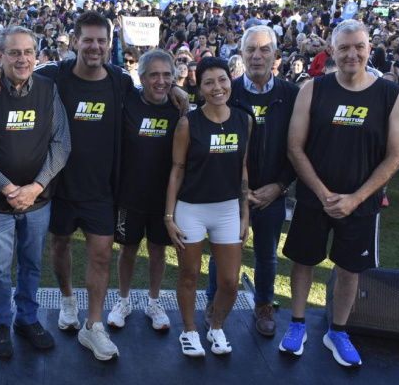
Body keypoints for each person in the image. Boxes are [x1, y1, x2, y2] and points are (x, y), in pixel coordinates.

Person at [0, 12, 186, 361]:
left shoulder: (118, 82)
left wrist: (176, 87)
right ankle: (67, 300)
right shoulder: (53, 76)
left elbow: (151, 87)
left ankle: (94, 326)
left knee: (102, 255)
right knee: (59, 246)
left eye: (101, 41)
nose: (94, 47)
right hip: (55, 188)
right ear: (75, 42)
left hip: (100, 190)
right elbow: (17, 68)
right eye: (87, 40)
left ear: (109, 44)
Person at [281, 20, 399, 367]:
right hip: (313, 198)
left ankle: (337, 330)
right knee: (303, 261)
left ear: (370, 47)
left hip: (361, 204)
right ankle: (297, 324)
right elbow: (295, 147)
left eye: (359, 47)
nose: (352, 54)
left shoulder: (389, 94)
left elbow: (396, 155)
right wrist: (323, 194)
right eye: (344, 47)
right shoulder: (314, 88)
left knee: (350, 270)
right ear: (332, 50)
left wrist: (356, 197)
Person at [0, 26, 71, 359]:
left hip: (37, 201)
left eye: (28, 52)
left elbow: (61, 142)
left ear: (37, 55)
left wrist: (36, 186)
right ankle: (1, 324)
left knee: (31, 265)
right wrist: (8, 187)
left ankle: (27, 319)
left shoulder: (48, 89)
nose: (22, 59)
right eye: (14, 52)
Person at [206, 25, 299, 336]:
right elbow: (212, 143)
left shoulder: (292, 95)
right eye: (250, 50)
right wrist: (238, 191)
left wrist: (280, 185)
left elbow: (299, 148)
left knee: (267, 255)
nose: (257, 56)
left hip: (273, 193)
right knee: (222, 252)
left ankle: (264, 304)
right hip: (230, 194)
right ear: (241, 54)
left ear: (275, 54)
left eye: (264, 49)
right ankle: (212, 302)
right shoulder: (226, 90)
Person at [165, 56, 251, 357]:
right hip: (191, 208)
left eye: (222, 80)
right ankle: (188, 331)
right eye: (209, 82)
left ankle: (216, 326)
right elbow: (176, 170)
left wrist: (245, 213)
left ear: (231, 80)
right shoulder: (188, 123)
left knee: (229, 282)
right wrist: (169, 215)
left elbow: (242, 167)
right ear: (199, 88)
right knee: (189, 275)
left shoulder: (244, 119)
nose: (218, 87)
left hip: (227, 209)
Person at [106, 50, 181, 331]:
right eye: (154, 75)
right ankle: (123, 300)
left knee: (158, 251)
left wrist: (179, 91)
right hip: (129, 195)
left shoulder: (178, 107)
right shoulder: (128, 102)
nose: (160, 81)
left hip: (164, 198)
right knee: (127, 250)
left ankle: (153, 301)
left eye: (166, 75)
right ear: (142, 77)